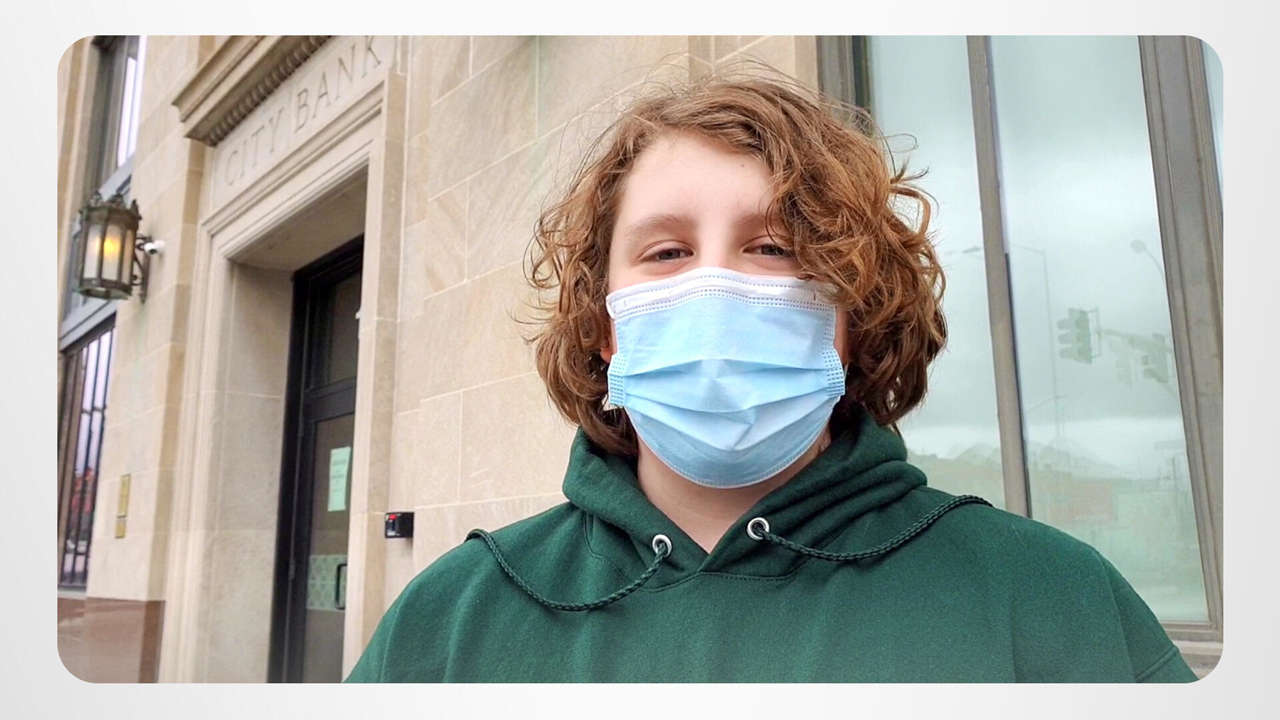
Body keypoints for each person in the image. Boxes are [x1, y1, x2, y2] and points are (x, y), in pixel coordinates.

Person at [345, 68, 1196, 683]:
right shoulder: (452, 620)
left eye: (773, 248)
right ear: (605, 328)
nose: (715, 286)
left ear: (852, 316)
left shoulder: (1046, 598)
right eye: (666, 252)